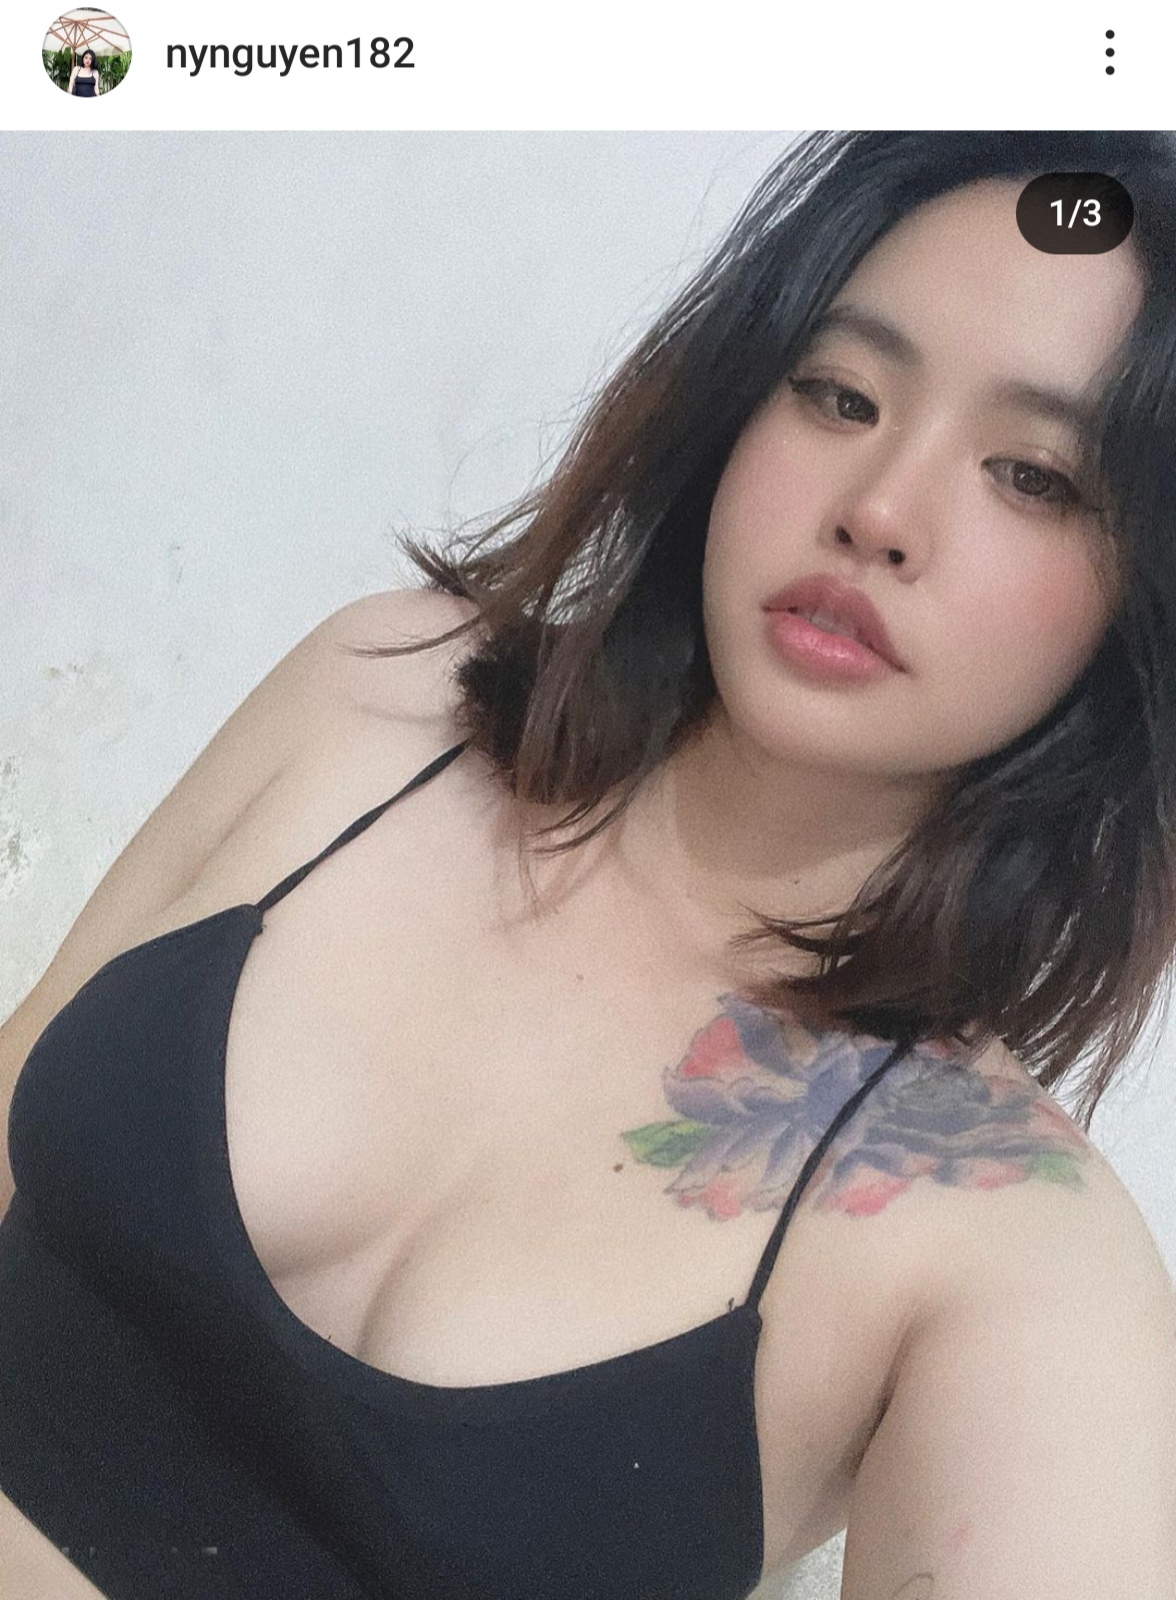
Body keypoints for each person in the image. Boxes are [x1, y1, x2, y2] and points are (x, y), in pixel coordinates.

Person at [1, 130, 1175, 1600]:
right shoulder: (384, 697)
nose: (880, 507)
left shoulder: (1016, 1248)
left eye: (1032, 475)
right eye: (840, 394)